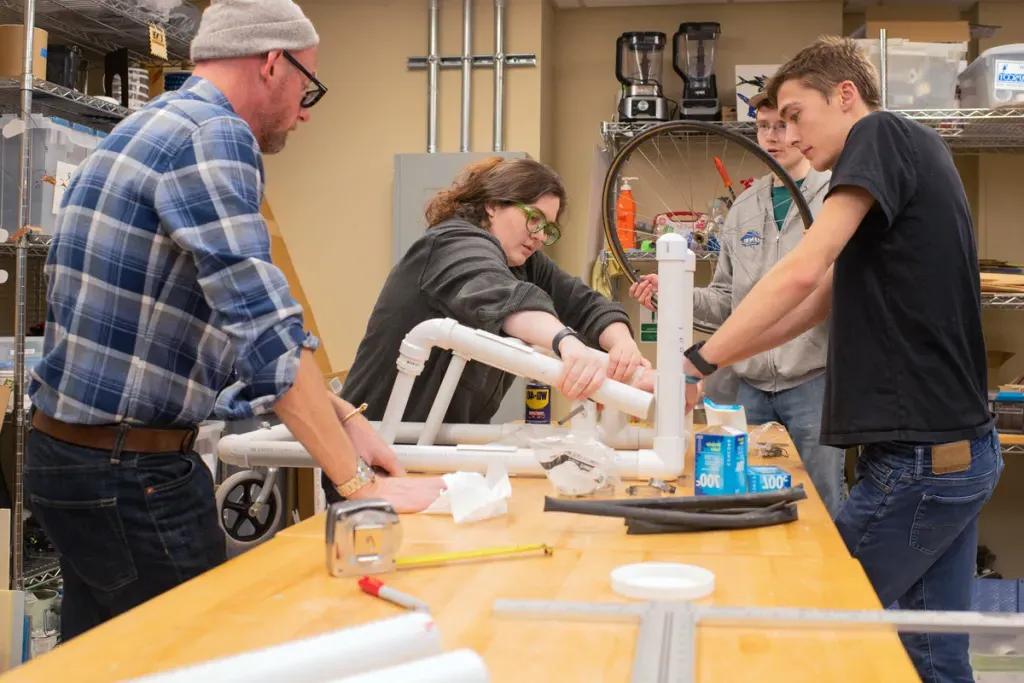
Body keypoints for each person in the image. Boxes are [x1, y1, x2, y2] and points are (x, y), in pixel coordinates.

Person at [25, 0, 443, 641]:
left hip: (72, 460)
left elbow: (188, 333)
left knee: (103, 663)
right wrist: (358, 486)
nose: (307, 112)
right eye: (311, 87)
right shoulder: (213, 136)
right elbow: (266, 332)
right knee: (195, 656)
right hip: (130, 475)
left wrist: (347, 419)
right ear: (273, 63)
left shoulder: (148, 127)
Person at [672, 37, 1000, 683]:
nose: (787, 132)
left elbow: (800, 272)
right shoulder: (911, 156)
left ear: (845, 96)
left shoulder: (878, 133)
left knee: (812, 629)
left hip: (921, 462)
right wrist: (711, 362)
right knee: (934, 656)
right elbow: (818, 299)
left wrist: (694, 364)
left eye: (795, 114)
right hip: (954, 451)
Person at [325, 156, 646, 503]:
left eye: (548, 228)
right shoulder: (451, 243)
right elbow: (503, 296)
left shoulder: (524, 263)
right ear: (492, 206)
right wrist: (566, 342)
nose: (539, 236)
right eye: (533, 218)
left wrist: (624, 347)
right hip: (370, 460)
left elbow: (585, 303)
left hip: (429, 455)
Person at [628, 92, 846, 516]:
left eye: (781, 125)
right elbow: (727, 300)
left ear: (801, 128)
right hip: (748, 387)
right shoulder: (745, 206)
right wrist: (672, 294)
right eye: (762, 126)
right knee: (738, 500)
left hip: (815, 382)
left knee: (824, 504)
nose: (771, 137)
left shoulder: (837, 195)